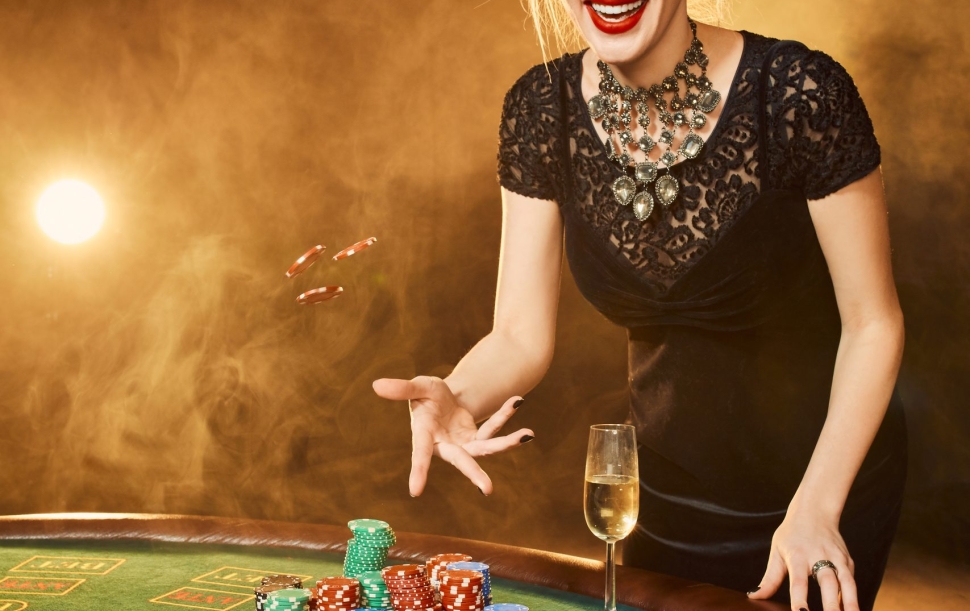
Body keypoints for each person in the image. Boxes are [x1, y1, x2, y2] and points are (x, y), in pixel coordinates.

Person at [373, 1, 907, 610]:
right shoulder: (541, 108)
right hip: (660, 500)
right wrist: (459, 395)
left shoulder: (800, 91)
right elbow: (519, 334)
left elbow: (874, 324)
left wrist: (817, 507)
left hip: (825, 487)